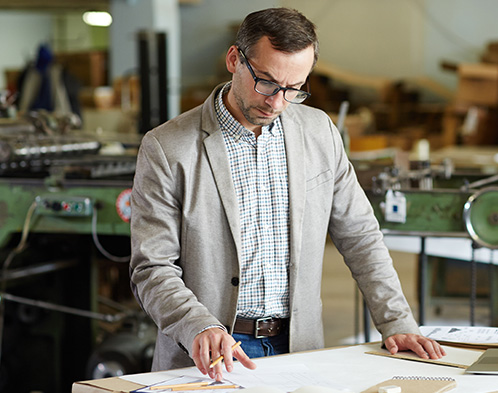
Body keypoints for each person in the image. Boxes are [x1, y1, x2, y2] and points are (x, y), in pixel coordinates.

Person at [129, 7, 444, 382]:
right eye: (267, 82)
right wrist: (197, 325)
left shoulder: (319, 133)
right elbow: (152, 266)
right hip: (208, 358)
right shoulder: (167, 147)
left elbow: (360, 235)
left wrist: (396, 320)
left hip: (300, 349)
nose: (277, 102)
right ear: (234, 59)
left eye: (294, 89)